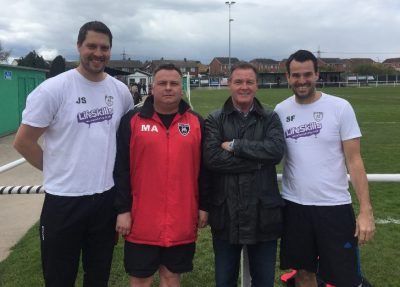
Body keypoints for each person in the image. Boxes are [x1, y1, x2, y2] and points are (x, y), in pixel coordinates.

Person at [13, 21, 133, 287]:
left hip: (105, 199)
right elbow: (23, 142)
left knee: (98, 276)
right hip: (64, 201)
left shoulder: (120, 91)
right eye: (92, 46)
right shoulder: (53, 89)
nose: (98, 53)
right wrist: (56, 167)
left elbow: (126, 141)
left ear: (110, 51)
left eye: (104, 47)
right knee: (59, 278)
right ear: (79, 46)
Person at [275, 49, 375, 287]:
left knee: (344, 278)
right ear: (288, 77)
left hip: (334, 207)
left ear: (317, 74)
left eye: (307, 74)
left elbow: (355, 161)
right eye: (296, 75)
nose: (302, 81)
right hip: (295, 207)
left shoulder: (340, 107)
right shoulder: (280, 111)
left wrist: (365, 210)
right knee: (304, 274)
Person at [114, 63, 209, 287]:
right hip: (141, 220)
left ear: (181, 88)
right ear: (152, 88)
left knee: (171, 276)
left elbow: (205, 170)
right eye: (162, 83)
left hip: (181, 219)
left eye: (174, 83)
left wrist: (204, 205)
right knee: (141, 279)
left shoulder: (196, 122)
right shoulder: (131, 121)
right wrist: (122, 210)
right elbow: (120, 169)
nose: (168, 88)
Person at [203, 61, 285, 287]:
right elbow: (213, 159)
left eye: (249, 82)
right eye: (238, 81)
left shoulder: (270, 117)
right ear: (229, 84)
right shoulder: (214, 119)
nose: (244, 87)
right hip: (226, 216)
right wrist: (259, 163)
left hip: (264, 215)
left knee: (264, 282)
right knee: (224, 281)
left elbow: (276, 151)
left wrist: (237, 146)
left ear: (256, 85)